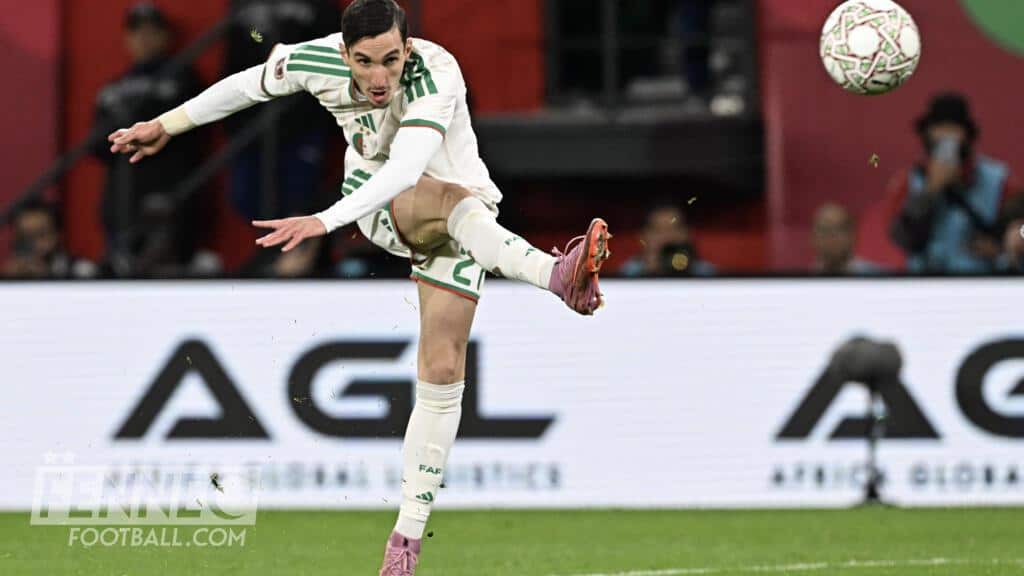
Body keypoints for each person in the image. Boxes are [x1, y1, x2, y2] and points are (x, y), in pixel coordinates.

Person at [106, 1, 610, 573]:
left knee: (443, 368)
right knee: (453, 203)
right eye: (365, 62)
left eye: (391, 60)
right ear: (344, 52)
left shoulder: (436, 72)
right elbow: (248, 85)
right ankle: (555, 275)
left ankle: (404, 545)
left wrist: (322, 220)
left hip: (467, 225)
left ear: (407, 49)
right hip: (380, 205)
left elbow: (409, 165)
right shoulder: (316, 60)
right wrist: (166, 125)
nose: (379, 77)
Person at [89, 2, 203, 276]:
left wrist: (134, 125)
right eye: (137, 32)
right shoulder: (112, 89)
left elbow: (192, 133)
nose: (144, 39)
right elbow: (97, 143)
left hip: (168, 191)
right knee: (119, 275)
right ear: (127, 38)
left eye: (152, 32)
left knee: (164, 274)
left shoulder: (183, 78)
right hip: (120, 197)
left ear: (165, 36)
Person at [224, 0, 340, 220]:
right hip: (253, 120)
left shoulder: (317, 6)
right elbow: (247, 41)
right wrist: (263, 38)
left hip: (304, 117)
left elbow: (329, 48)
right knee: (246, 198)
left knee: (300, 199)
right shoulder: (245, 5)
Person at [887, 93, 1020, 274]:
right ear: (927, 133)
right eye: (940, 129)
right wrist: (931, 190)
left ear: (967, 134)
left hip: (982, 279)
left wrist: (1002, 249)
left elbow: (1019, 230)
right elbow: (901, 238)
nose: (946, 138)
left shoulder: (999, 180)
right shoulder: (908, 181)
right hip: (923, 280)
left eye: (953, 130)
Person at [2, 200, 97, 279]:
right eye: (24, 236)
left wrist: (47, 277)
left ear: (57, 235)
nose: (32, 243)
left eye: (41, 234)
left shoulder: (82, 271)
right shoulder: (9, 274)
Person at [620, 204, 715, 277]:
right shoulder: (627, 275)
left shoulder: (707, 275)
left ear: (687, 234)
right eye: (658, 230)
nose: (666, 237)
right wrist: (648, 273)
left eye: (673, 229)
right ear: (643, 236)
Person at [811, 203, 880, 275]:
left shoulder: (878, 278)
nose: (833, 236)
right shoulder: (805, 279)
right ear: (813, 238)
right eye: (825, 230)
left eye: (840, 229)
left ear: (852, 236)